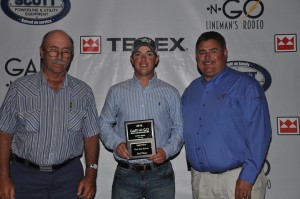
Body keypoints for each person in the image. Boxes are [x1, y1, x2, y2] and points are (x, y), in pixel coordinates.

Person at [0, 30, 100, 199]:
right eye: (53, 49)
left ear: (72, 55)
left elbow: (91, 136)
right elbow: (4, 135)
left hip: (69, 178)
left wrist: (91, 174)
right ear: (42, 52)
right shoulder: (19, 89)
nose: (59, 56)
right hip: (25, 177)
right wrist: (3, 177)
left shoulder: (84, 92)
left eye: (66, 51)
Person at [182, 31, 272, 199]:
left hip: (236, 179)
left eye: (213, 51)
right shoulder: (190, 90)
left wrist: (247, 177)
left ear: (225, 53)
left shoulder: (246, 85)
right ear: (196, 57)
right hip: (201, 180)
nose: (207, 57)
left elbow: (259, 134)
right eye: (202, 52)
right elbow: (181, 129)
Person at [98, 37, 184, 199]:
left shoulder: (171, 92)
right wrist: (116, 144)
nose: (143, 59)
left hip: (161, 174)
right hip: (126, 173)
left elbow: (179, 128)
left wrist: (166, 151)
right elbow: (103, 123)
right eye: (138, 54)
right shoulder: (116, 91)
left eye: (149, 54)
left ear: (156, 59)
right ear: (132, 59)